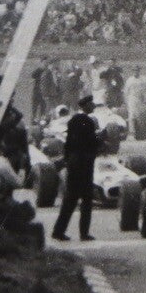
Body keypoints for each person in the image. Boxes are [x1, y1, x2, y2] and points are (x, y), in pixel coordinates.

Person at [52, 95, 101, 242]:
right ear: (86, 105)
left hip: (74, 163)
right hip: (84, 164)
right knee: (86, 200)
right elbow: (90, 142)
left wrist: (67, 159)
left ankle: (58, 230)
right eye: (92, 104)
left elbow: (68, 143)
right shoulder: (87, 121)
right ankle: (84, 233)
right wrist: (100, 140)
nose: (93, 106)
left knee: (70, 199)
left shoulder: (73, 120)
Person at [123, 66, 146, 132]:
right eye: (134, 70)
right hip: (132, 98)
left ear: (139, 71)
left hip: (141, 99)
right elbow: (126, 91)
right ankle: (132, 131)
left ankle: (141, 130)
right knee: (132, 115)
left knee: (140, 115)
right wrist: (126, 100)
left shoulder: (144, 79)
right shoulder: (130, 80)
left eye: (137, 70)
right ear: (132, 71)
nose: (136, 72)